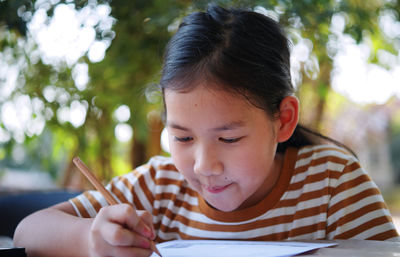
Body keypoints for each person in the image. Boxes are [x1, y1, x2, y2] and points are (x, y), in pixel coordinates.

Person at [14, 4, 399, 257]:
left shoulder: (332, 182)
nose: (203, 165)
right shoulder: (158, 188)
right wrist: (89, 240)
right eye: (182, 137)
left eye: (229, 138)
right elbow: (27, 233)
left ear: (283, 119)